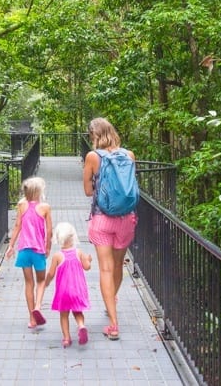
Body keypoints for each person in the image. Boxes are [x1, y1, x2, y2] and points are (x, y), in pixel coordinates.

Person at [83, 117, 138, 340]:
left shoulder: (93, 157)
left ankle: (113, 324)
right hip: (126, 219)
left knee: (105, 269)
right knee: (118, 266)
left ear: (94, 135)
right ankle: (111, 299)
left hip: (102, 219)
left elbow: (88, 191)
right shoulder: (129, 155)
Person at [5, 176, 53, 328]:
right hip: (38, 250)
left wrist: (11, 246)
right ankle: (38, 306)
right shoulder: (45, 207)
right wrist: (48, 248)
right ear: (39, 192)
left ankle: (32, 318)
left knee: (28, 283)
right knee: (41, 281)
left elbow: (17, 226)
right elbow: (49, 231)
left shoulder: (21, 205)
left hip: (24, 250)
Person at [44, 222, 92, 347]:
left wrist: (46, 282)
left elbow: (51, 273)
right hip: (78, 290)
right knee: (78, 312)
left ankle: (66, 338)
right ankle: (81, 326)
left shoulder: (57, 256)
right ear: (73, 237)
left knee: (64, 315)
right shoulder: (79, 252)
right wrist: (89, 260)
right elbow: (87, 267)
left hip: (63, 292)